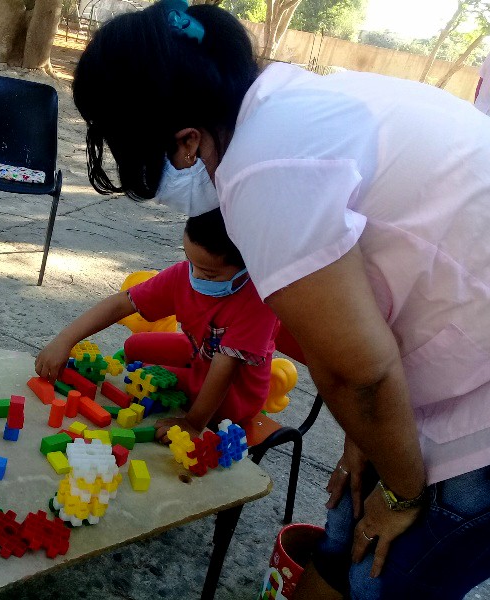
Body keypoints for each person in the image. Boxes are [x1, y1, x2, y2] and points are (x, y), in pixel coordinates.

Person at [70, 0, 490, 598]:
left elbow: (361, 371)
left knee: (384, 575)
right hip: (447, 356)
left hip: (480, 404)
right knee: (345, 535)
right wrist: (367, 440)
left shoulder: (264, 170)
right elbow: (359, 324)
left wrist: (402, 491)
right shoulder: (285, 104)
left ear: (185, 140)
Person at [36, 208, 279, 442]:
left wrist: (193, 423)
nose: (195, 276)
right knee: (135, 347)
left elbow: (225, 369)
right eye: (190, 261)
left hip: (235, 392)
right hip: (201, 353)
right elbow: (122, 303)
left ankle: (185, 400)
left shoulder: (259, 301)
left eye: (209, 273)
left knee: (147, 377)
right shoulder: (185, 275)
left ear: (249, 265)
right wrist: (64, 340)